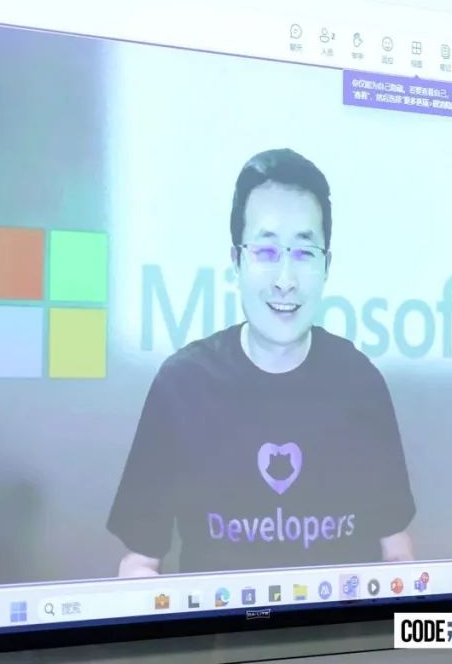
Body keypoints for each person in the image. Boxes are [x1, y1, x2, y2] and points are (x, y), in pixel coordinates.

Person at [107, 148, 416, 577]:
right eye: (267, 252)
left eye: (304, 253)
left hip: (341, 620)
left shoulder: (360, 383)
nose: (285, 280)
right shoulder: (182, 385)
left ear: (327, 265)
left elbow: (397, 556)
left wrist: (415, 616)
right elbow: (140, 563)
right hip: (225, 621)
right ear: (236, 261)